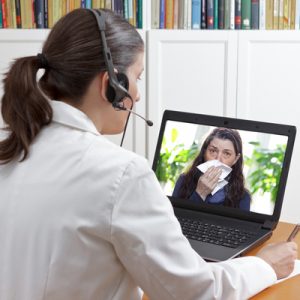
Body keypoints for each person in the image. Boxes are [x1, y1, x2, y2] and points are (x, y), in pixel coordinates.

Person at [0, 8, 297, 300]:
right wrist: (266, 266)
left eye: (227, 153)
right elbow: (196, 292)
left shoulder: (11, 148)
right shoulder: (122, 174)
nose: (138, 95)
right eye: (137, 77)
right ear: (112, 85)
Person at [172, 127, 251, 211]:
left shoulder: (243, 197)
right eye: (213, 151)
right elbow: (173, 220)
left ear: (235, 159)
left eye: (226, 153)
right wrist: (200, 193)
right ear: (204, 152)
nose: (218, 159)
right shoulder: (184, 180)